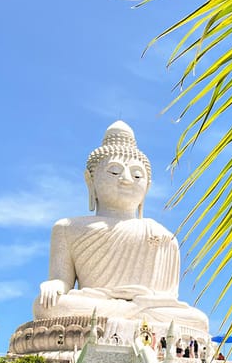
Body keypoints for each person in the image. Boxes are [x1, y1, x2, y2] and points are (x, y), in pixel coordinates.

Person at [32, 121, 209, 333]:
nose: (126, 180)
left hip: (147, 310)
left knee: (198, 320)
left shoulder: (163, 236)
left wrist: (138, 306)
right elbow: (62, 281)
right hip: (95, 305)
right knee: (47, 306)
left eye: (136, 175)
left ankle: (129, 317)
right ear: (90, 180)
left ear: (147, 187)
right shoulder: (67, 228)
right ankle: (132, 318)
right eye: (114, 172)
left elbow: (167, 298)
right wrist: (55, 285)